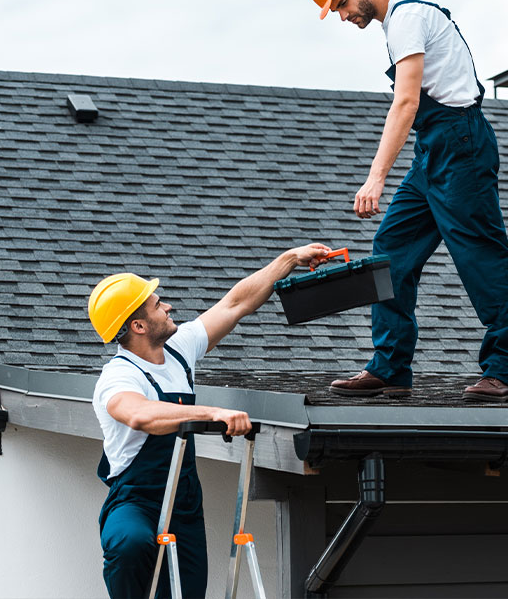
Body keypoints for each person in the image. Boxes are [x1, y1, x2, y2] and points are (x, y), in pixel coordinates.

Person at [306, 0, 508, 403]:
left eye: (342, 4)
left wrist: (375, 177)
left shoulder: (407, 19)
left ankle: (502, 370)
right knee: (391, 251)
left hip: (459, 145)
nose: (344, 17)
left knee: (481, 255)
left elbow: (405, 103)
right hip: (434, 148)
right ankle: (390, 368)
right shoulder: (398, 24)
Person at [89, 243, 332, 598]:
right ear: (138, 325)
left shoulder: (178, 350)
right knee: (129, 543)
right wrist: (211, 412)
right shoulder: (119, 377)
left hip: (184, 504)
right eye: (157, 304)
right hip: (135, 501)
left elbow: (236, 304)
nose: (168, 305)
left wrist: (290, 259)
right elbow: (140, 414)